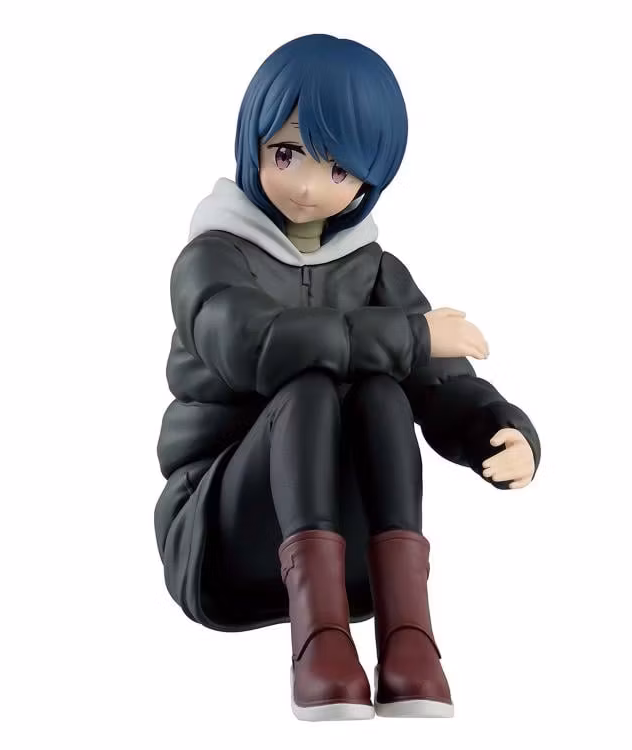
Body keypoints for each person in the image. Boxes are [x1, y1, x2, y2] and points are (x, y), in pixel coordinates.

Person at [154, 34, 541, 721]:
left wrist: (497, 429)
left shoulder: (374, 269)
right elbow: (257, 346)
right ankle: (318, 646)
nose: (308, 185)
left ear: (369, 179)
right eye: (287, 153)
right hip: (222, 538)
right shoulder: (210, 260)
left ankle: (408, 635)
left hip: (351, 562)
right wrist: (411, 335)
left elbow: (438, 381)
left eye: (338, 169)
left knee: (383, 392)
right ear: (253, 143)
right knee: (306, 386)